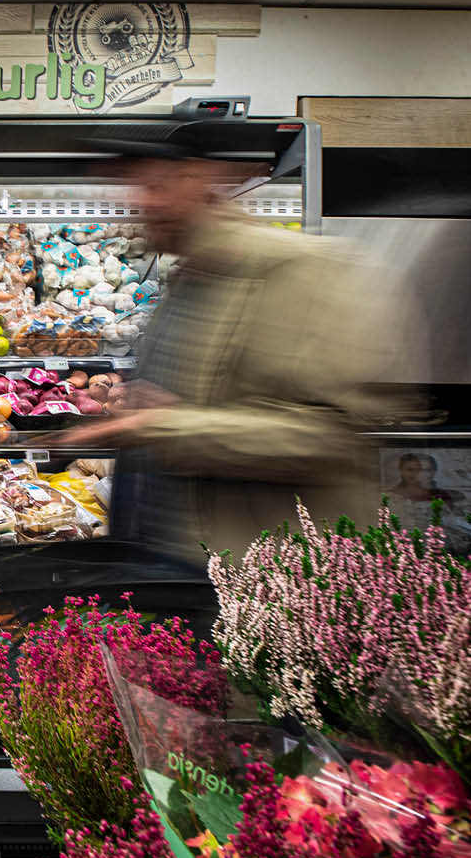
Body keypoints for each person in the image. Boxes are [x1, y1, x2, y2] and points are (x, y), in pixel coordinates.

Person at [59, 137, 396, 565]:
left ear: (200, 180)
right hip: (171, 556)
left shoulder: (298, 269)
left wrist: (164, 426)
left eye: (155, 186)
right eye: (131, 188)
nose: (140, 203)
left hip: (257, 572)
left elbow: (329, 437)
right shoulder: (189, 279)